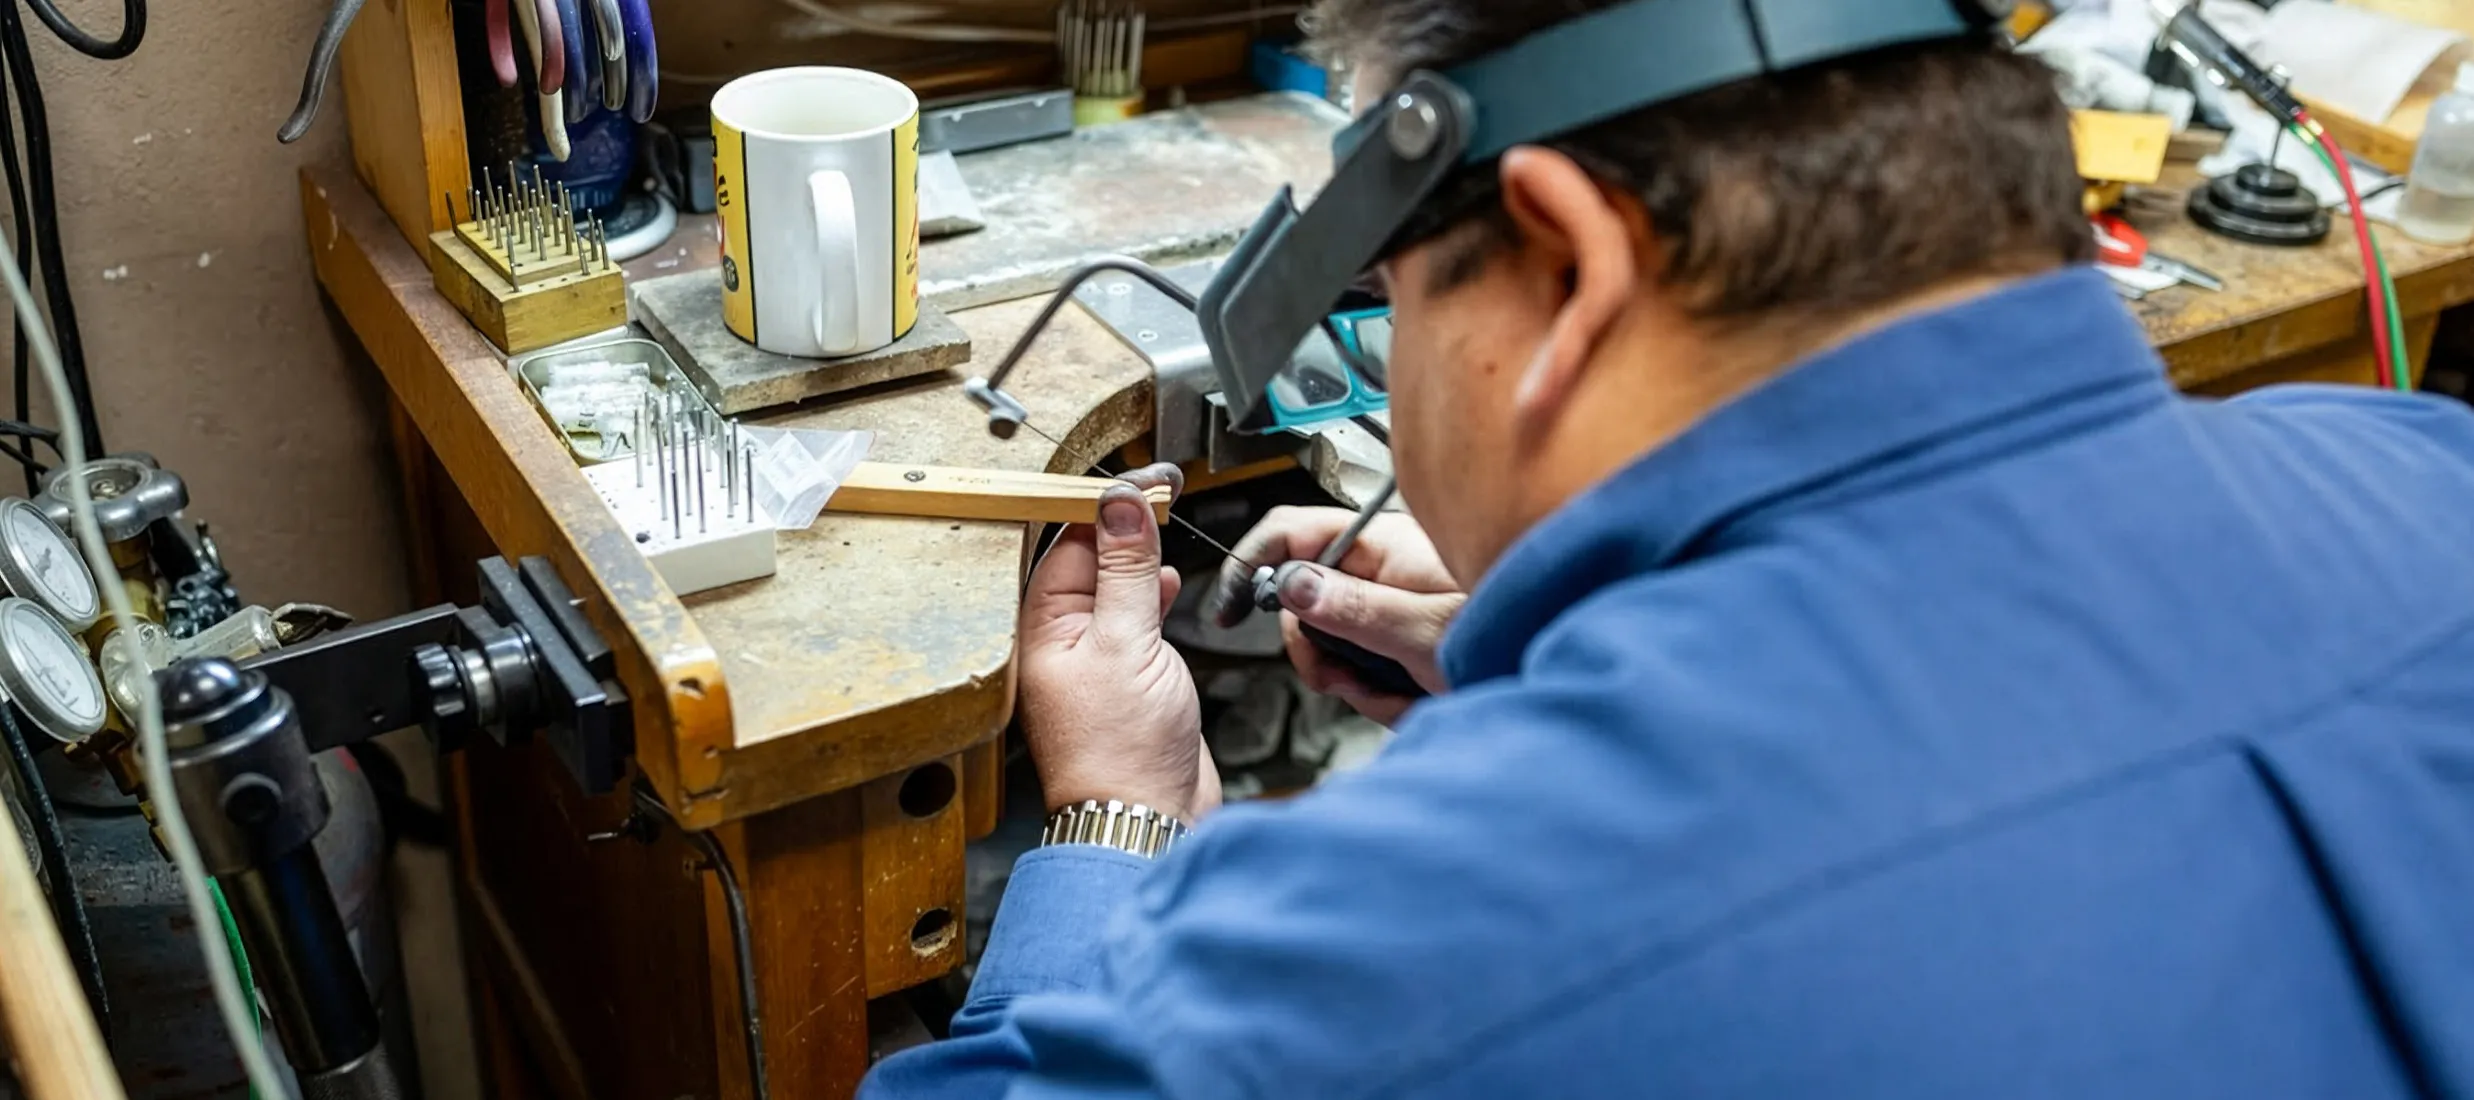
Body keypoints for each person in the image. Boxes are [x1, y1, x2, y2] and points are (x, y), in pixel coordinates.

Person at [866, 2, 2474, 1096]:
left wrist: (1115, 826)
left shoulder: (1393, 948)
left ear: (1563, 261)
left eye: (1388, 286)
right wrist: (1602, 650)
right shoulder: (2425, 469)